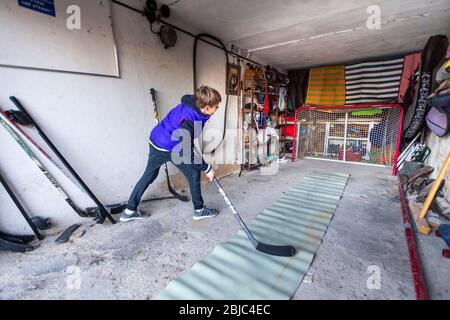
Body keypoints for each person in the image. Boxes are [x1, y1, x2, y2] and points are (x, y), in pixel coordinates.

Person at [120, 85, 221, 222]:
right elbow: (187, 153)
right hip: (168, 146)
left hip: (157, 139)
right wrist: (207, 168)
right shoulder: (190, 120)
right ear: (207, 108)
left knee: (149, 175)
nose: (218, 108)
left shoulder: (193, 105)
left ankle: (129, 210)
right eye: (216, 106)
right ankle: (199, 210)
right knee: (193, 171)